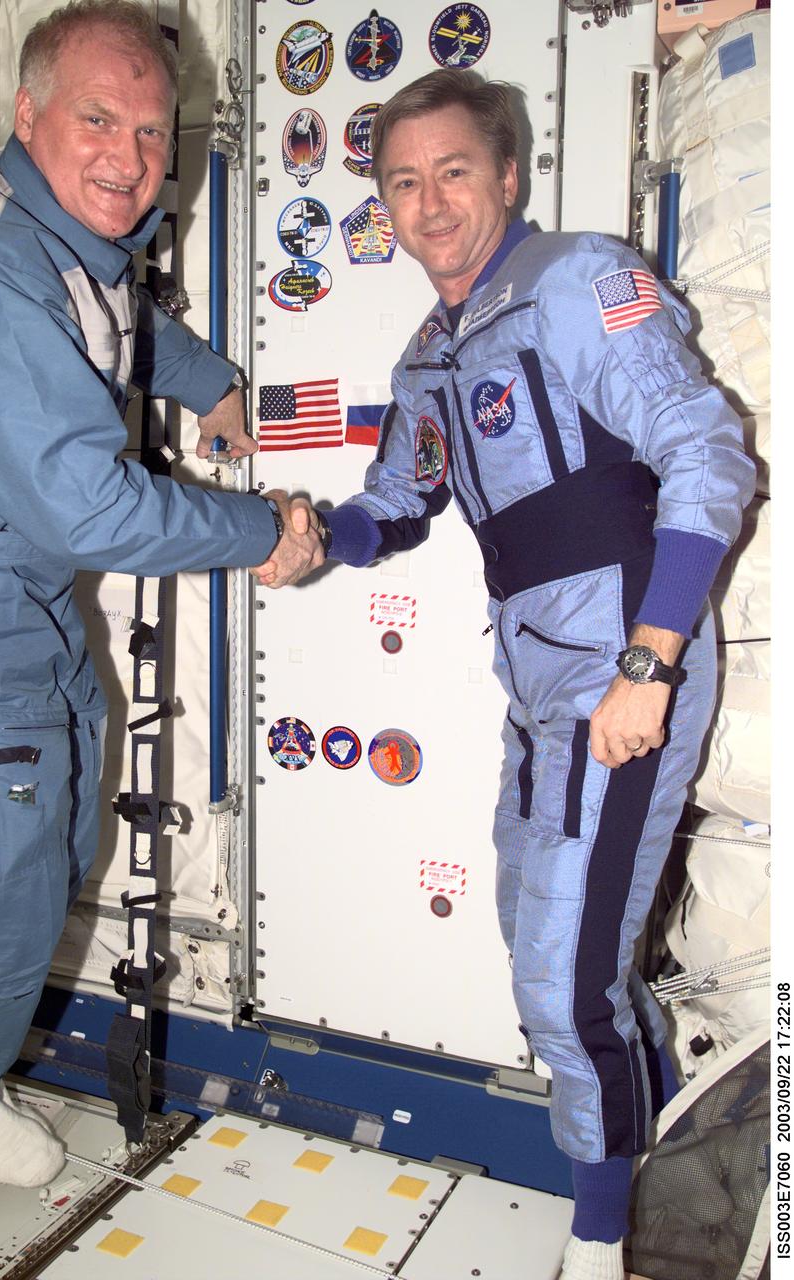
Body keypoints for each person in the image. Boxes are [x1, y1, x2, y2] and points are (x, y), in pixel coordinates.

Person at [254, 69, 755, 1280]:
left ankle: (597, 1243)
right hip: (537, 687)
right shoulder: (430, 349)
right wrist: (314, 533)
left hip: (623, 673)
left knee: (559, 973)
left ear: (509, 174)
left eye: (453, 172)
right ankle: (650, 1175)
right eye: (404, 182)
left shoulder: (575, 281)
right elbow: (400, 501)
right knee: (558, 947)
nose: (428, 204)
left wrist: (648, 660)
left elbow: (705, 453)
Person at [0, 0, 321, 1188]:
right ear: (27, 111)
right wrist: (255, 533)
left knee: (53, 833)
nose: (131, 158)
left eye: (152, 132)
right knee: (14, 874)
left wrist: (214, 389)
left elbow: (125, 322)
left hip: (17, 593)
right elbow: (84, 505)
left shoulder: (68, 239)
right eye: (100, 119)